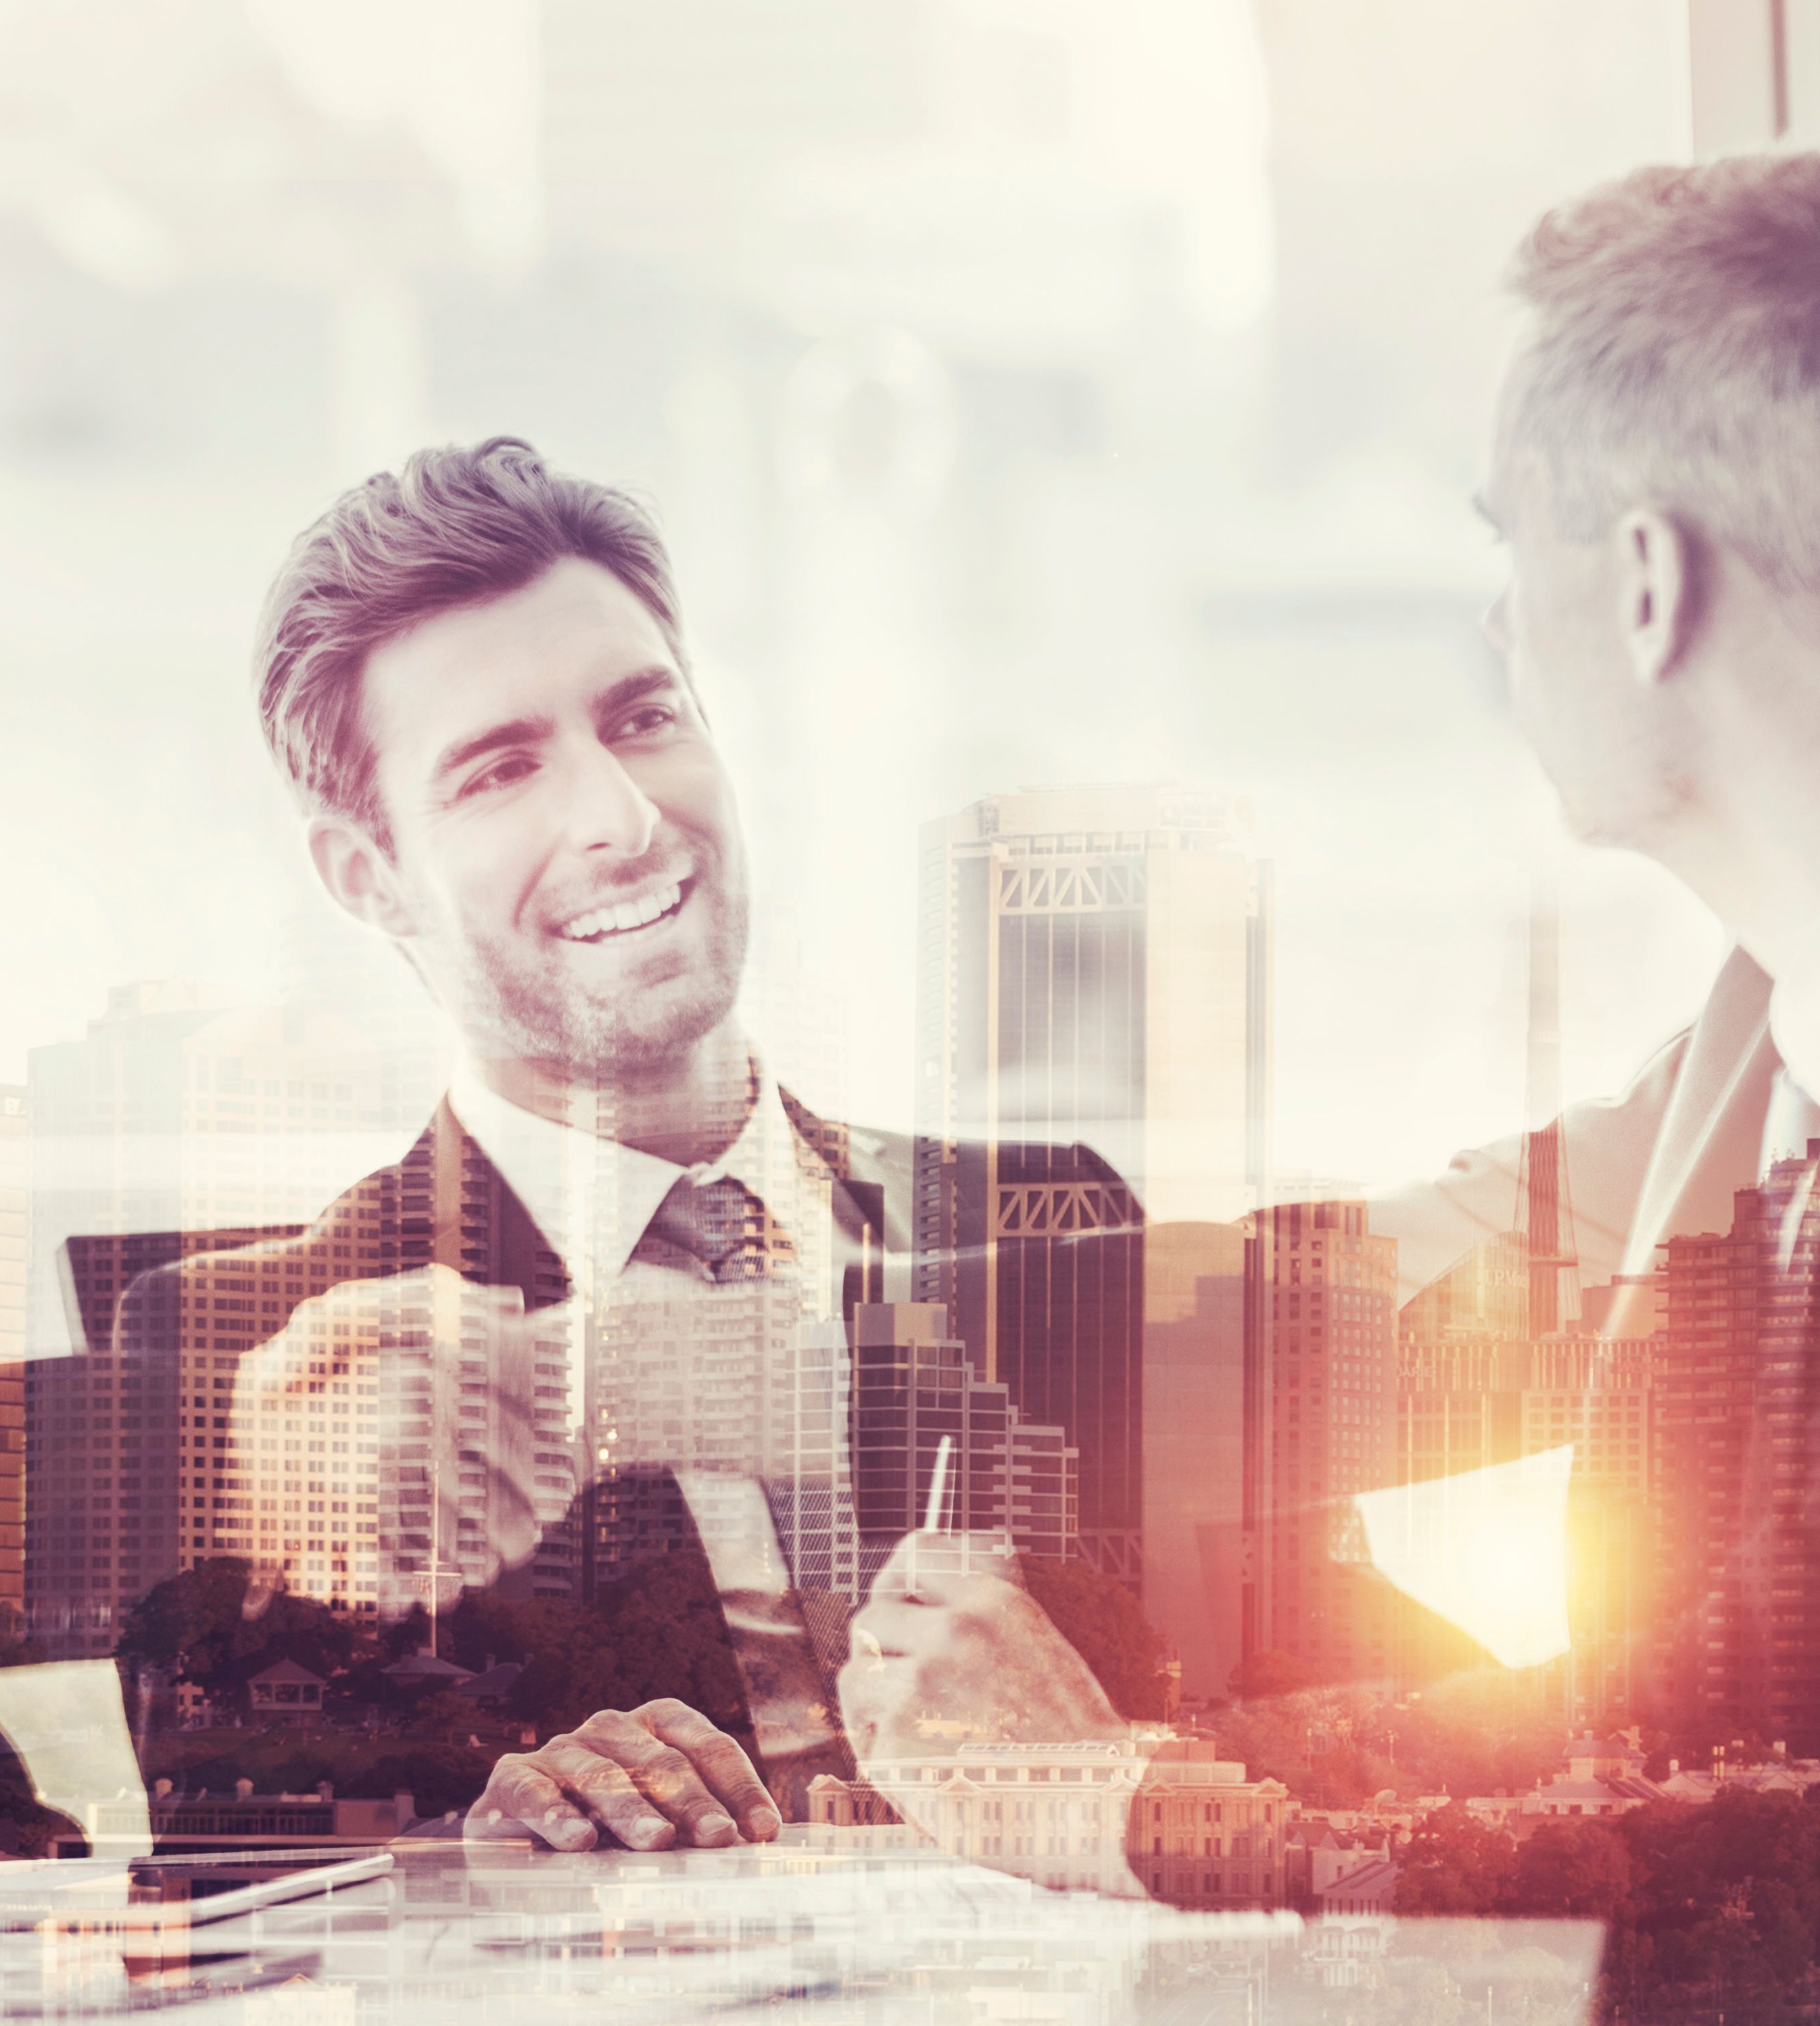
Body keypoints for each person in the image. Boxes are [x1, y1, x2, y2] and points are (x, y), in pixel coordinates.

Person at [106, 438, 1123, 1853]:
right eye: (499, 771)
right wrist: (480, 1848)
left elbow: (1359, 1726)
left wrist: (1111, 1771)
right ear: (368, 876)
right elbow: (243, 1859)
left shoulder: (1057, 1231)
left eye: (644, 718)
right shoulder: (232, 1355)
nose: (625, 819)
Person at [1377, 151, 1820, 1313]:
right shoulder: (1816, 990)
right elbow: (1432, 1264)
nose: (1503, 622)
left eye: (1516, 547)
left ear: (1648, 585)